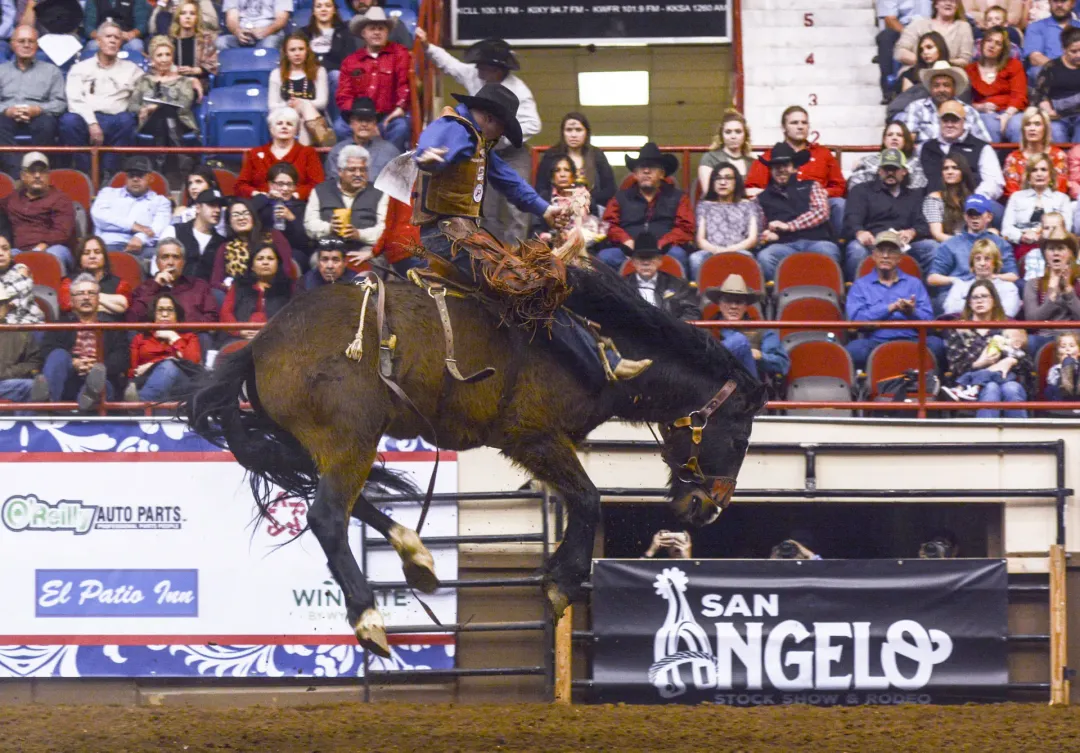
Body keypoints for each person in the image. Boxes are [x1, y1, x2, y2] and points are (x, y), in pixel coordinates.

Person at [413, 82, 650, 382]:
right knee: (530, 286)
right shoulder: (457, 129)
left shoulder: (476, 140)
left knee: (531, 282)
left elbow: (507, 179)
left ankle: (597, 357)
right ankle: (599, 363)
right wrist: (429, 155)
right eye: (502, 128)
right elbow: (434, 141)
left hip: (460, 236)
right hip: (450, 238)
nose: (501, 136)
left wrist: (545, 209)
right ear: (490, 118)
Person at [417, 31, 539, 243]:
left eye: (482, 66)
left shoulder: (520, 90)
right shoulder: (475, 74)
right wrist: (428, 47)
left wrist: (502, 137)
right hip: (484, 144)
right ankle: (492, 250)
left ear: (496, 70)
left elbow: (534, 124)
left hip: (512, 151)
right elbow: (451, 65)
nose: (477, 69)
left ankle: (516, 251)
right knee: (484, 202)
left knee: (516, 211)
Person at [845, 230, 942, 370]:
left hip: (912, 339)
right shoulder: (860, 285)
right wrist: (889, 308)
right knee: (854, 350)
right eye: (881, 251)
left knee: (937, 345)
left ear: (900, 257)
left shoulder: (914, 283)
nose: (885, 256)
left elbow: (929, 321)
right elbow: (856, 321)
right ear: (873, 255)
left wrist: (912, 312)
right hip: (876, 341)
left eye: (891, 251)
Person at [746, 106, 846, 236]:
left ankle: (839, 243)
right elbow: (752, 189)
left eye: (804, 123)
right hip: (782, 205)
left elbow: (839, 186)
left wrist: (820, 193)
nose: (800, 127)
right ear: (784, 127)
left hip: (817, 203)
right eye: (794, 123)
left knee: (839, 203)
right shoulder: (771, 157)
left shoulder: (823, 154)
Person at [59, 21, 142, 175]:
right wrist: (92, 123)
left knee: (127, 121)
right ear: (98, 40)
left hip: (115, 120)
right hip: (85, 119)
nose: (112, 41)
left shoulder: (132, 69)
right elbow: (75, 100)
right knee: (68, 121)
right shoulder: (80, 68)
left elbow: (150, 85)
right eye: (108, 36)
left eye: (117, 38)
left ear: (121, 43)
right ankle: (85, 172)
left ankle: (109, 173)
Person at [595, 143, 694, 271]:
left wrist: (662, 244)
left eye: (652, 167)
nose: (646, 171)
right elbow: (608, 225)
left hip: (665, 250)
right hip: (627, 251)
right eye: (642, 167)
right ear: (635, 174)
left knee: (678, 255)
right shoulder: (619, 198)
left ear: (662, 174)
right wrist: (626, 240)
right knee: (605, 257)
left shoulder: (679, 197)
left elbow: (685, 228)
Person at [753, 141, 842, 282]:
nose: (781, 169)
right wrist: (765, 237)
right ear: (771, 170)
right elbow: (758, 230)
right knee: (766, 257)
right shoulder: (761, 198)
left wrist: (789, 226)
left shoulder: (812, 185)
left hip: (817, 241)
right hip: (782, 245)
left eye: (785, 165)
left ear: (794, 168)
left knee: (827, 251)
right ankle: (779, 293)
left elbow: (821, 212)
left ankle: (826, 294)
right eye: (776, 166)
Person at [38, 273, 128, 410]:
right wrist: (73, 363)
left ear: (98, 299)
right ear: (71, 300)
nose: (86, 297)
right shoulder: (59, 324)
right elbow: (46, 351)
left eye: (91, 293)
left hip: (102, 381)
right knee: (58, 355)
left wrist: (97, 366)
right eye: (80, 293)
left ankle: (88, 397)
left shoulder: (112, 326)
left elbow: (122, 357)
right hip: (67, 379)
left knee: (101, 382)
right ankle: (47, 403)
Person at [843, 147, 936, 278]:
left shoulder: (913, 195)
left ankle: (927, 288)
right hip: (873, 242)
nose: (890, 173)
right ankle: (856, 287)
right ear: (879, 170)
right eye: (886, 169)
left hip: (902, 245)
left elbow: (922, 225)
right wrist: (860, 232)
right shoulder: (861, 190)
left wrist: (912, 232)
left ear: (904, 171)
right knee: (855, 249)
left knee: (932, 247)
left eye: (895, 169)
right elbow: (851, 218)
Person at [945, 280, 1031, 416]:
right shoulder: (960, 330)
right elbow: (955, 368)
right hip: (971, 387)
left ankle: (1019, 430)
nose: (979, 300)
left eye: (984, 296)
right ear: (969, 302)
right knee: (991, 388)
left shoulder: (1008, 327)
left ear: (994, 300)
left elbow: (1027, 364)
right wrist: (980, 363)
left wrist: (1010, 361)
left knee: (1012, 388)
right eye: (975, 297)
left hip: (1007, 380)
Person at [336, 7, 410, 151]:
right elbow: (344, 96)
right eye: (372, 28)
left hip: (388, 116)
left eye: (381, 28)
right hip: (359, 116)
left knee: (401, 127)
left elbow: (404, 85)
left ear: (387, 32)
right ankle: (353, 159)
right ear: (363, 33)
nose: (377, 32)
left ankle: (390, 162)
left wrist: (401, 108)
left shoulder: (400, 54)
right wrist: (363, 120)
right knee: (340, 127)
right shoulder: (350, 61)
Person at [928, 194, 1018, 310]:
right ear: (965, 217)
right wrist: (956, 281)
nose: (974, 218)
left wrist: (992, 277)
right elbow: (932, 278)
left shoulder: (1000, 243)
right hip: (959, 292)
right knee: (944, 300)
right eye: (971, 214)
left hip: (992, 289)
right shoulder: (950, 244)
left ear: (989, 217)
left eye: (978, 214)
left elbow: (1013, 275)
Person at [304, 144, 387, 267]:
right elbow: (309, 225)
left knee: (370, 263)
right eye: (352, 170)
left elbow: (385, 230)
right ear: (340, 171)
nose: (358, 174)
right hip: (329, 247)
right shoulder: (320, 190)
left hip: (365, 248)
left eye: (363, 170)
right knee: (317, 261)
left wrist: (359, 234)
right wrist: (329, 228)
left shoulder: (379, 193)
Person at [0, 26, 65, 179]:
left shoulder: (51, 71)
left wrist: (37, 109)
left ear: (37, 45)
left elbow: (60, 103)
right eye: (21, 41)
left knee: (47, 124)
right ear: (12, 44)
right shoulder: (1, 71)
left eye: (31, 41)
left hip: (38, 115)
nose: (26, 45)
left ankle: (35, 168)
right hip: (7, 115)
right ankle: (19, 174)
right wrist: (7, 110)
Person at [704, 274, 789, 384]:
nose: (733, 306)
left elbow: (782, 364)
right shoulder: (706, 329)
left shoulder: (761, 330)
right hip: (713, 387)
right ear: (719, 304)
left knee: (740, 341)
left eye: (739, 302)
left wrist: (760, 356)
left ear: (746, 306)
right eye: (728, 301)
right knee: (740, 341)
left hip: (747, 388)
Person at [917, 99, 1004, 204]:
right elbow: (917, 181)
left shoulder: (981, 147)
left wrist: (974, 199)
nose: (949, 125)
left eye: (954, 120)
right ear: (939, 122)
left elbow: (994, 182)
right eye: (945, 120)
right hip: (932, 204)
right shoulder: (926, 147)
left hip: (971, 205)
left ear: (964, 122)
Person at [3, 151, 76, 273]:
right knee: (4, 256)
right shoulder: (13, 198)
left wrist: (40, 248)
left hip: (53, 248)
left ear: (48, 175)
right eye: (32, 171)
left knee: (52, 256)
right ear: (23, 175)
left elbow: (62, 232)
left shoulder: (60, 199)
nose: (37, 175)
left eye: (42, 171)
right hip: (19, 250)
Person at [124, 291, 201, 402]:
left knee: (169, 366)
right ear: (154, 315)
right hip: (146, 381)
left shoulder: (189, 337)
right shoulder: (140, 338)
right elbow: (134, 372)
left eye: (170, 310)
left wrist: (173, 337)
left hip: (180, 386)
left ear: (177, 315)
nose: (164, 314)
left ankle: (141, 404)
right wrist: (167, 360)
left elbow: (192, 363)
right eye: (160, 310)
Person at [90, 155, 171, 258]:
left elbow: (159, 227)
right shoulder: (107, 193)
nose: (135, 179)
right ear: (126, 178)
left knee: (162, 255)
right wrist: (133, 226)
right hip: (109, 244)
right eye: (131, 175)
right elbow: (99, 217)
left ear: (151, 178)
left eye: (140, 175)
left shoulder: (161, 201)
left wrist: (140, 238)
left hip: (143, 247)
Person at [235, 107, 325, 200]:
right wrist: (259, 195)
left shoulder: (308, 153)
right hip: (261, 204)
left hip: (297, 204)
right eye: (279, 123)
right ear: (271, 128)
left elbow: (318, 184)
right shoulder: (255, 153)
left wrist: (294, 196)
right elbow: (240, 186)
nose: (284, 127)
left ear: (296, 130)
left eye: (289, 124)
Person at [689, 163, 759, 281]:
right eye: (718, 178)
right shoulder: (704, 205)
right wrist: (717, 251)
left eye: (728, 178)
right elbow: (700, 240)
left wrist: (729, 250)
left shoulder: (748, 205)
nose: (722, 182)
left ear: (736, 182)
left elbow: (752, 239)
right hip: (711, 251)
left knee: (748, 257)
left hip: (740, 250)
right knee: (695, 258)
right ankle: (702, 292)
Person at [1002, 153, 1073, 268]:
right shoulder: (1016, 197)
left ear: (1050, 174)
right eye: (1034, 170)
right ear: (1029, 175)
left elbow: (1066, 229)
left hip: (1053, 248)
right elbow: (1006, 229)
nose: (1039, 174)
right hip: (1022, 247)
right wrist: (1022, 236)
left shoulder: (1062, 199)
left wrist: (1042, 236)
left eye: (1043, 170)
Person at [129, 35, 199, 151]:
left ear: (172, 57)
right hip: (149, 124)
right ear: (152, 59)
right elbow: (132, 105)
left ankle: (160, 159)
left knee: (165, 115)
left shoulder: (184, 81)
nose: (164, 59)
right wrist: (143, 110)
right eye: (159, 55)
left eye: (168, 54)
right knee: (159, 119)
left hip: (180, 124)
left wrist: (155, 108)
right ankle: (174, 157)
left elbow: (183, 106)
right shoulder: (143, 81)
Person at [535, 111, 615, 211]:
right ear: (563, 133)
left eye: (578, 130)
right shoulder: (551, 155)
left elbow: (610, 190)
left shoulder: (596, 155)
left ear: (586, 132)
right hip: (556, 208)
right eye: (569, 130)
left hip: (591, 209)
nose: (573, 135)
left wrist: (587, 199)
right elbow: (541, 189)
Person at [210, 198, 293, 292]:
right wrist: (231, 289)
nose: (241, 218)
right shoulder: (225, 248)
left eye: (246, 213)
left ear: (253, 217)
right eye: (236, 215)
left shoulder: (273, 236)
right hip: (239, 296)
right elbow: (215, 283)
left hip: (274, 292)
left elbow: (287, 270)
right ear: (229, 222)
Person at [899, 61, 993, 143]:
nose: (941, 90)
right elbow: (907, 143)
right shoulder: (916, 108)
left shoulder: (968, 111)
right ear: (930, 88)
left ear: (954, 88)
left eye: (946, 85)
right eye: (936, 85)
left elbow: (984, 144)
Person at [128, 237, 218, 322]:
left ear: (183, 262)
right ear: (157, 262)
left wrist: (181, 329)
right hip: (156, 333)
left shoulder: (199, 286)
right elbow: (133, 319)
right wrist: (155, 286)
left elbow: (212, 319)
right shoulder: (145, 288)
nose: (170, 263)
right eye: (165, 257)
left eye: (176, 257)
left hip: (191, 333)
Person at [269, 31, 333, 147]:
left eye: (301, 49)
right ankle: (323, 136)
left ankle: (302, 155)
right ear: (286, 53)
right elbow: (272, 106)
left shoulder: (319, 71)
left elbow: (322, 103)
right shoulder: (276, 74)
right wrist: (289, 104)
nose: (297, 53)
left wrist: (301, 103)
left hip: (313, 115)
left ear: (307, 51)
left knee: (304, 120)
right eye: (292, 50)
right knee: (303, 111)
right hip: (285, 116)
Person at [220, 242, 293, 343]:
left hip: (276, 340)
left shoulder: (287, 288)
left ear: (278, 264)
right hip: (239, 338)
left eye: (270, 259)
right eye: (260, 259)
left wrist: (270, 333)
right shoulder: (239, 286)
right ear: (252, 266)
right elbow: (226, 313)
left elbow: (292, 318)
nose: (265, 262)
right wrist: (239, 331)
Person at [966, 26, 1027, 142]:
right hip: (984, 113)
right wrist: (980, 107)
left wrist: (1007, 115)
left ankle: (1019, 155)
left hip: (1012, 111)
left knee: (1017, 125)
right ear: (982, 44)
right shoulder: (969, 70)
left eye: (998, 43)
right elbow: (965, 102)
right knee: (990, 124)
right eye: (989, 41)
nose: (992, 46)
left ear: (1003, 49)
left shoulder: (1014, 65)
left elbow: (1019, 95)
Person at [622, 232, 699, 321]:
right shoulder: (620, 286)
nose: (646, 263)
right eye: (641, 258)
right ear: (633, 262)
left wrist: (673, 326)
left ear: (660, 261)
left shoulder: (678, 285)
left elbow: (692, 313)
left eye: (650, 258)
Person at [537, 156, 606, 249]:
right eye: (557, 170)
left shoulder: (584, 195)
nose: (562, 175)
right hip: (552, 247)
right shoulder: (545, 197)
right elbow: (537, 229)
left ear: (573, 176)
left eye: (567, 170)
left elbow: (595, 227)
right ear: (552, 177)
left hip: (584, 247)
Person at [324, 97, 399, 183]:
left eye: (368, 120)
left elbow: (397, 184)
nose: (364, 124)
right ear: (351, 123)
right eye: (359, 120)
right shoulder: (337, 152)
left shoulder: (390, 152)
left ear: (375, 124)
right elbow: (332, 185)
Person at [942, 238, 1023, 315]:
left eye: (987, 259)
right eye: (978, 259)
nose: (982, 263)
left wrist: (970, 305)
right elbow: (950, 309)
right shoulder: (960, 286)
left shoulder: (1008, 287)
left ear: (995, 263)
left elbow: (1008, 312)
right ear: (972, 264)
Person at [58, 235, 131, 319]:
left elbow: (124, 307)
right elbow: (67, 305)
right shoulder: (69, 282)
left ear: (104, 257)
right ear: (80, 259)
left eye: (97, 252)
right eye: (86, 253)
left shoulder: (120, 284)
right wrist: (112, 306)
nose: (92, 256)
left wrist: (83, 300)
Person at [160, 188, 226, 281]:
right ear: (198, 208)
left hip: (207, 289)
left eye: (219, 206)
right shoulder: (174, 231)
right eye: (212, 205)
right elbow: (158, 266)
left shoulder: (222, 242)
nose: (217, 210)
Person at [1003, 108, 1069, 200]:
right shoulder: (1013, 159)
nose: (1032, 128)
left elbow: (1060, 192)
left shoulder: (1059, 156)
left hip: (1053, 206)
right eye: (1028, 124)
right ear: (1023, 129)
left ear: (1045, 128)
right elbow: (1012, 194)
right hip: (1021, 206)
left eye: (1037, 124)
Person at [252, 162, 309, 266]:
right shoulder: (261, 202)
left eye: (289, 184)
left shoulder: (300, 207)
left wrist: (292, 218)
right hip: (262, 248)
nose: (285, 189)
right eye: (280, 184)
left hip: (292, 250)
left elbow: (306, 242)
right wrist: (267, 197)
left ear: (295, 187)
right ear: (271, 185)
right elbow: (249, 212)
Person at [876, 0, 935, 100]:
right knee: (886, 37)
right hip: (902, 29)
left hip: (930, 28)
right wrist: (910, 34)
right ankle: (889, 91)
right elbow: (890, 19)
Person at [1030, 26, 1080, 142]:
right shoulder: (1051, 67)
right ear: (1064, 49)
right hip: (1057, 116)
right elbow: (1038, 94)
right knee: (1055, 132)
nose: (1079, 55)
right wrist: (1048, 110)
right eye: (1073, 51)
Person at [848, 122, 928, 190]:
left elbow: (918, 190)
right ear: (884, 139)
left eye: (899, 135)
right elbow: (855, 188)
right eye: (890, 135)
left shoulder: (916, 163)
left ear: (905, 140)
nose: (894, 138)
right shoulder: (867, 161)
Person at [1023, 231, 1080, 325]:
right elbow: (1031, 322)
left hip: (1074, 333)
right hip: (1044, 333)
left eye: (1061, 248)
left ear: (1071, 253)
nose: (1056, 253)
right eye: (1051, 249)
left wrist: (1068, 291)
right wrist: (1053, 294)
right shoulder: (1033, 284)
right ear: (1045, 254)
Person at [895, 0, 974, 68]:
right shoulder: (918, 25)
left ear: (957, 6)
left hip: (949, 73)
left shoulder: (963, 27)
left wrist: (941, 64)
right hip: (916, 70)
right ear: (936, 4)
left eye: (952, 1)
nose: (948, 3)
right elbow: (900, 52)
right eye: (944, 0)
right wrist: (925, 62)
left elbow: (965, 60)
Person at [0, 286, 46, 402]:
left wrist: (7, 373)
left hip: (6, 383)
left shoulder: (21, 333)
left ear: (7, 306)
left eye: (0, 304)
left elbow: (34, 362)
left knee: (32, 386)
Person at [168, 0, 218, 97]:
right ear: (178, 17)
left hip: (198, 84)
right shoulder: (170, 40)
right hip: (173, 83)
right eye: (183, 13)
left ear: (197, 17)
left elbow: (212, 66)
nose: (188, 17)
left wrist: (193, 70)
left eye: (192, 13)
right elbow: (161, 65)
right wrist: (174, 69)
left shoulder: (205, 39)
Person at [924, 152, 976, 242]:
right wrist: (963, 243)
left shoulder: (971, 198)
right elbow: (937, 234)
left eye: (955, 168)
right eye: (946, 168)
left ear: (963, 172)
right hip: (945, 244)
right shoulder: (934, 198)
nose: (949, 172)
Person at [698, 110, 756, 191]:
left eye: (738, 132)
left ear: (745, 135)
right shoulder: (710, 158)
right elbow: (709, 192)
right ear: (721, 135)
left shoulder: (753, 163)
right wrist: (746, 192)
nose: (733, 136)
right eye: (728, 132)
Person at [1022, 0, 1080, 76]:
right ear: (1049, 2)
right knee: (1036, 71)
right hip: (1049, 73)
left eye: (1063, 1)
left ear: (1073, 3)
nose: (1059, 5)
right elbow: (1035, 58)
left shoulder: (1078, 26)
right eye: (1055, 1)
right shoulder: (1036, 27)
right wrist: (1063, 69)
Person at [303, 0, 356, 81]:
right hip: (309, 76)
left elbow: (350, 61)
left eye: (328, 6)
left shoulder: (344, 32)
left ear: (334, 10)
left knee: (336, 75)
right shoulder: (303, 33)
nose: (323, 9)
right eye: (319, 6)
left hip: (335, 77)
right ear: (313, 11)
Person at [0, 233, 43, 323]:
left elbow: (7, 305)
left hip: (25, 323)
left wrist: (5, 304)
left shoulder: (20, 270)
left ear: (11, 254)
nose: (1, 253)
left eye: (5, 249)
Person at [217, 0, 291, 50]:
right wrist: (237, 31)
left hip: (270, 35)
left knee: (268, 45)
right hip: (242, 35)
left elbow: (281, 19)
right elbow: (231, 18)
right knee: (220, 42)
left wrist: (265, 32)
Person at [83, 0, 149, 54]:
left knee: (136, 45)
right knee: (93, 46)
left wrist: (131, 34)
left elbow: (142, 25)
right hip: (102, 37)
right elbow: (89, 27)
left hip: (127, 37)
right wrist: (101, 36)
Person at [1045, 330, 1080, 400]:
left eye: (1072, 346)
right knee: (1068, 361)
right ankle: (1066, 387)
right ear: (1058, 354)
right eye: (1063, 347)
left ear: (1079, 351)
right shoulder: (1055, 369)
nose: (1067, 349)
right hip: (1062, 396)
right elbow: (1051, 386)